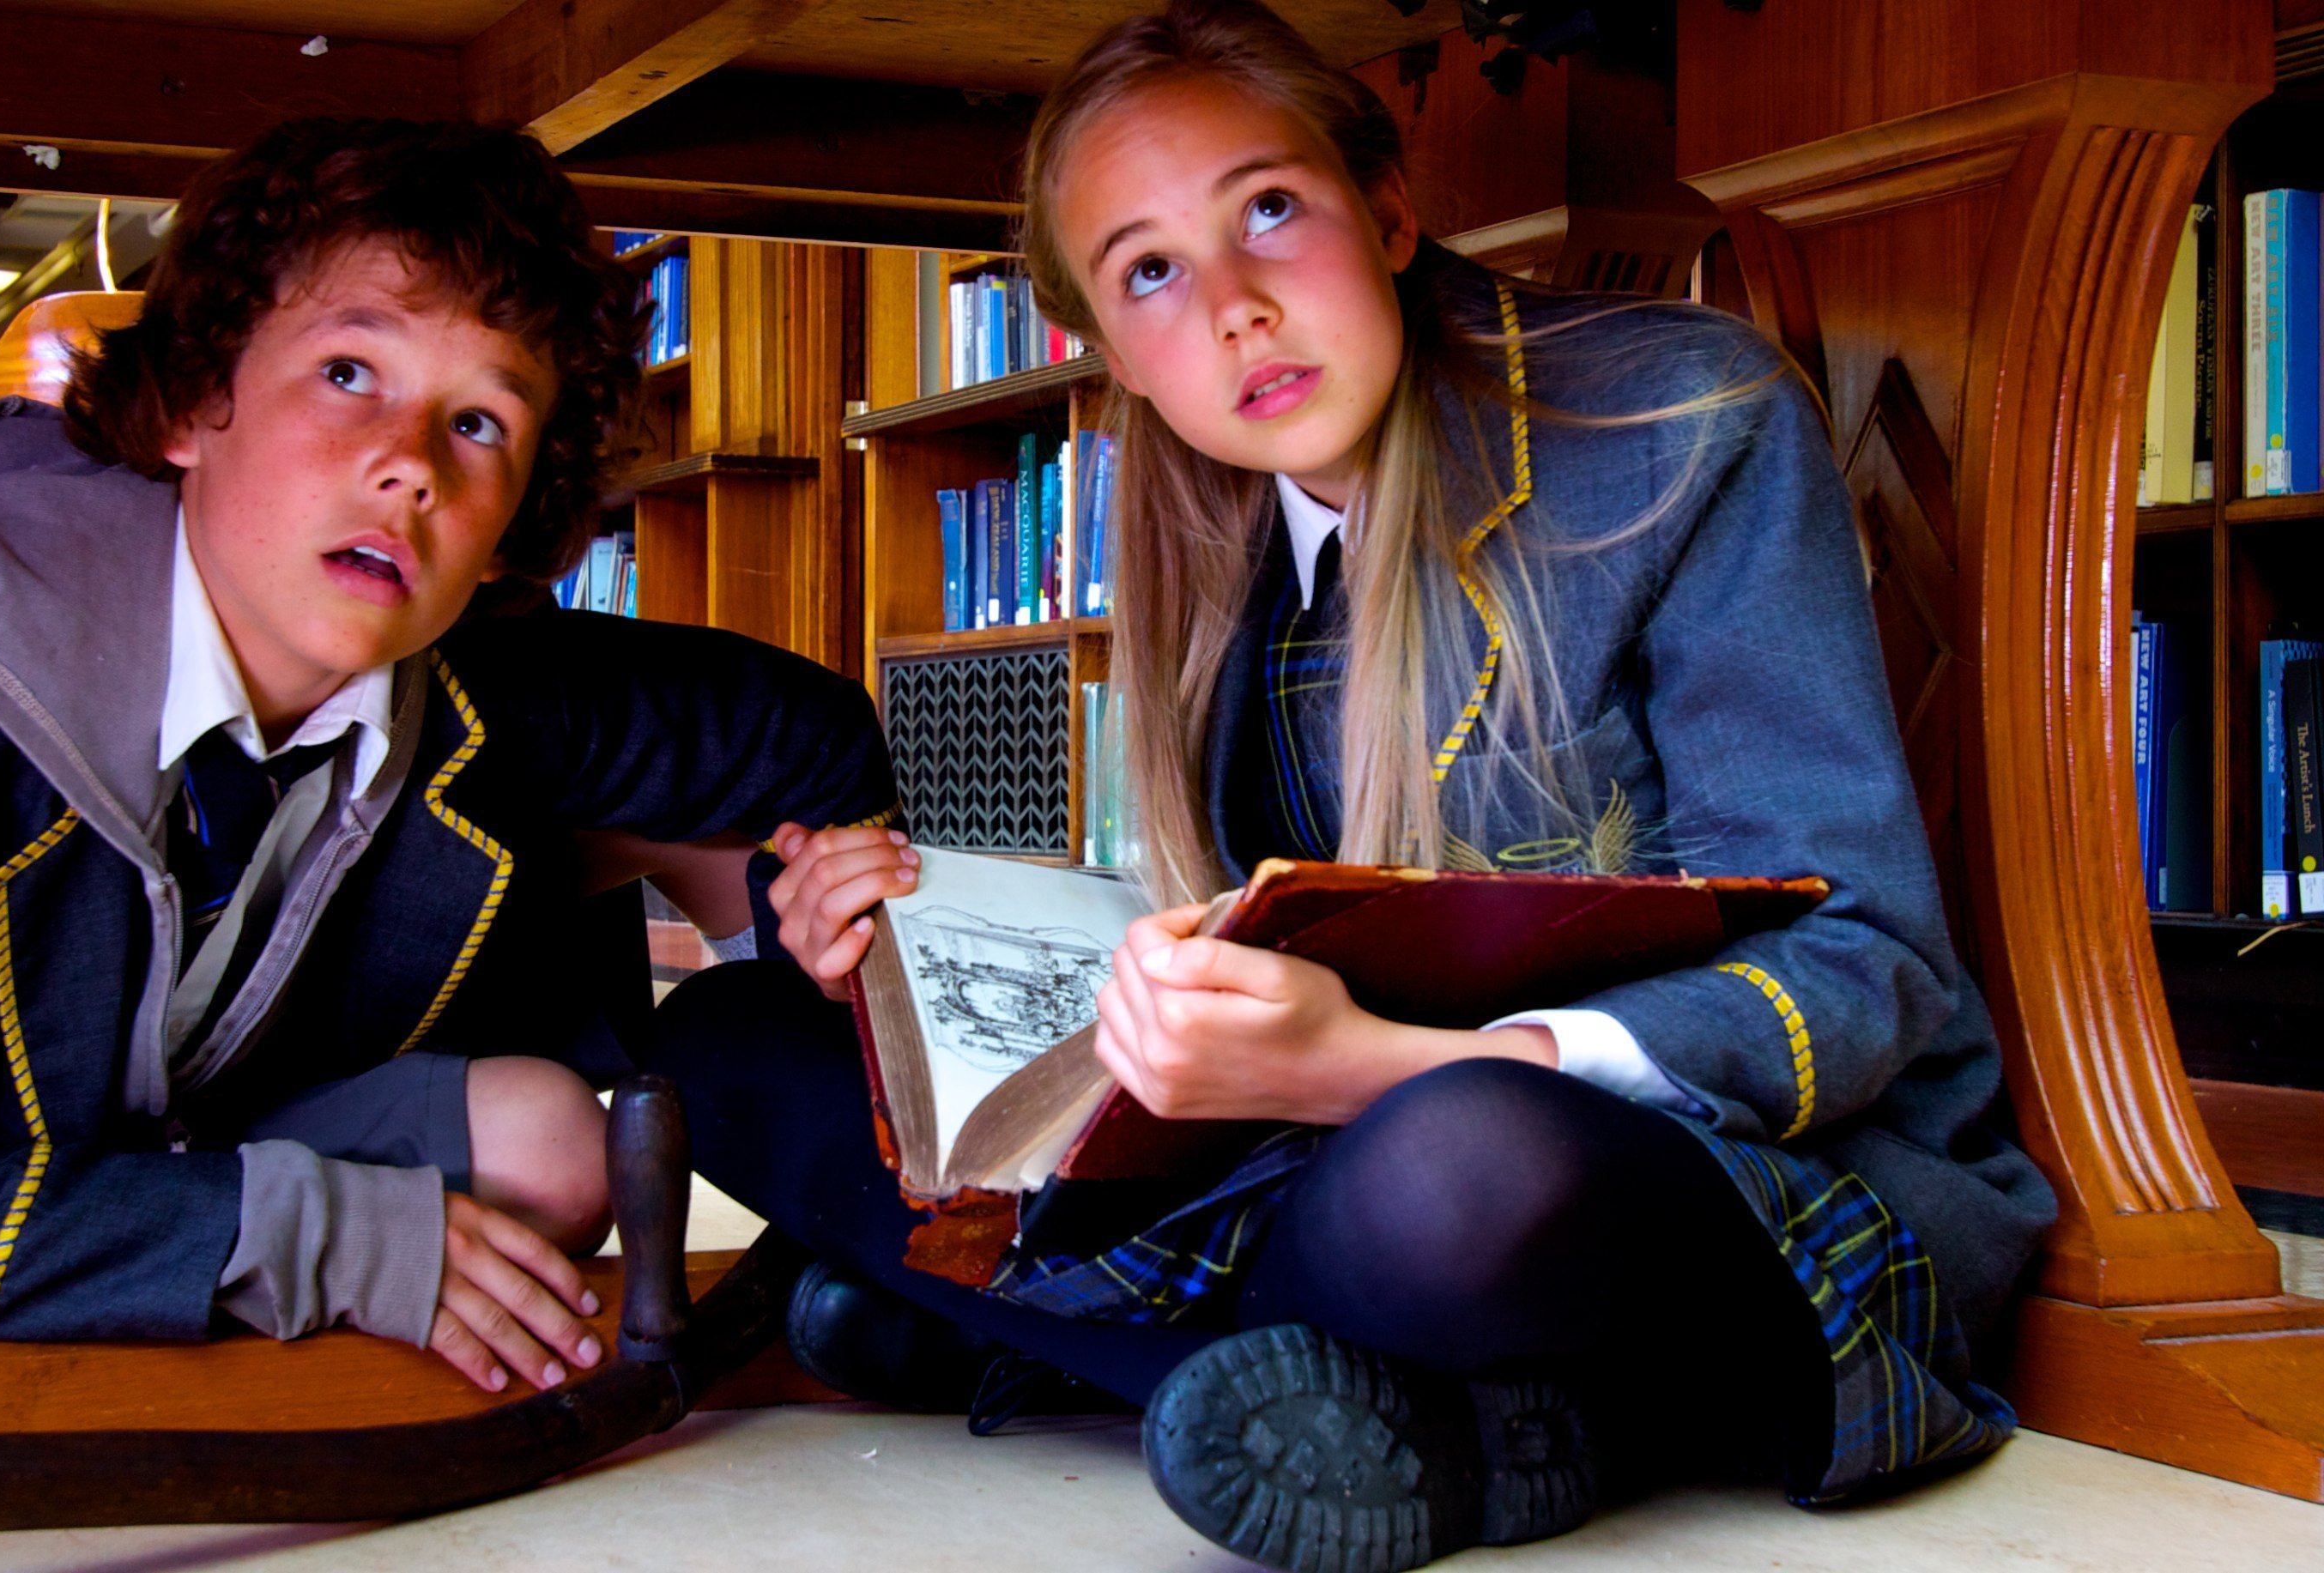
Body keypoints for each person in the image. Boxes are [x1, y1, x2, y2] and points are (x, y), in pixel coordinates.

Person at [643, 3, 2055, 1568]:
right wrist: (910, 957)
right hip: (1316, 1152)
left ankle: (1064, 1341)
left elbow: (1864, 961)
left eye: (1267, 210)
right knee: (726, 1040)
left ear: (1385, 209)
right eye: (1152, 271)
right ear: (1114, 351)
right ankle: (1456, 1424)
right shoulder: (1219, 523)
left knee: (1453, 1164)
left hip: (1690, 1169)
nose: (1237, 309)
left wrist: (1367, 1070)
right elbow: (1252, 935)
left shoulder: (1682, 422)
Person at [0, 117, 895, 1397]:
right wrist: (316, 1239)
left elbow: (806, 737)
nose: (408, 467)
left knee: (557, 1145)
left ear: (508, 534)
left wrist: (815, 943)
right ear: (194, 403)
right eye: (347, 373)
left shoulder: (470, 658)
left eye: (482, 423)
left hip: (178, 1126)